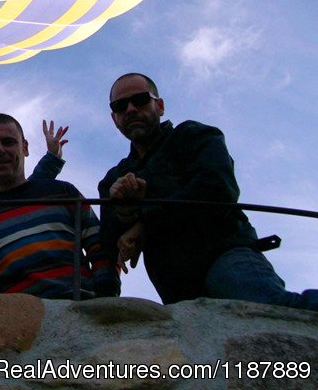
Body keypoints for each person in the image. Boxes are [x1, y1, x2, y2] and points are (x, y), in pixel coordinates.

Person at [99, 72, 318, 309]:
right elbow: (108, 243)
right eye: (120, 106)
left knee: (275, 311)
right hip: (176, 288)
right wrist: (123, 211)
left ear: (159, 106)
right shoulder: (113, 179)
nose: (130, 109)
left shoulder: (193, 136)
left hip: (225, 257)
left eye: (140, 100)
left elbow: (218, 191)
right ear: (114, 118)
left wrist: (143, 224)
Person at [0, 115, 118, 299]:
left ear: (25, 148)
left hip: (82, 309)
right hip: (19, 320)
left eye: (8, 142)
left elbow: (100, 247)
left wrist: (107, 297)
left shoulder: (63, 192)